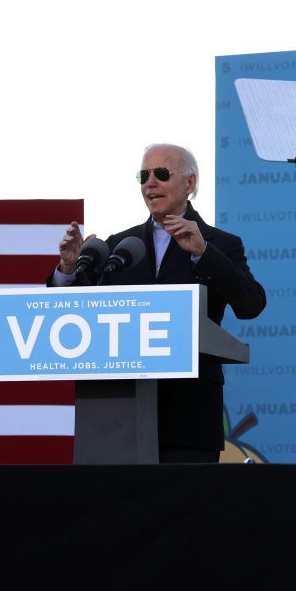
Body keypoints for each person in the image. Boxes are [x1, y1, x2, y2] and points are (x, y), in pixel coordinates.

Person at [51, 143, 266, 463]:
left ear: (189, 184)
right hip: (118, 418)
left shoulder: (221, 243)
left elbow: (251, 304)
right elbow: (76, 315)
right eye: (144, 175)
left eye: (161, 174)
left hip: (188, 418)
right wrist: (68, 269)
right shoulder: (120, 245)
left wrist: (203, 252)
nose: (150, 183)